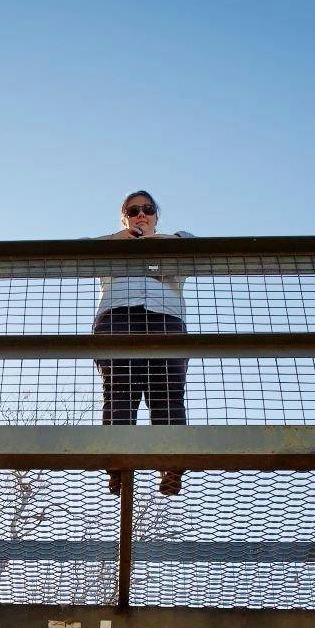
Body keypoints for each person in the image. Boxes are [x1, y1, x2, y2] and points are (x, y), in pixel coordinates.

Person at [94, 190, 192, 495]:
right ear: (124, 217)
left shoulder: (173, 241)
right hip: (118, 319)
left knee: (167, 391)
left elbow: (193, 247)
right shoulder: (112, 244)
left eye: (147, 210)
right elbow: (82, 252)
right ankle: (118, 465)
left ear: (156, 217)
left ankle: (171, 464)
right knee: (121, 391)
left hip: (165, 320)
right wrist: (124, 238)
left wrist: (152, 240)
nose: (141, 215)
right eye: (133, 210)